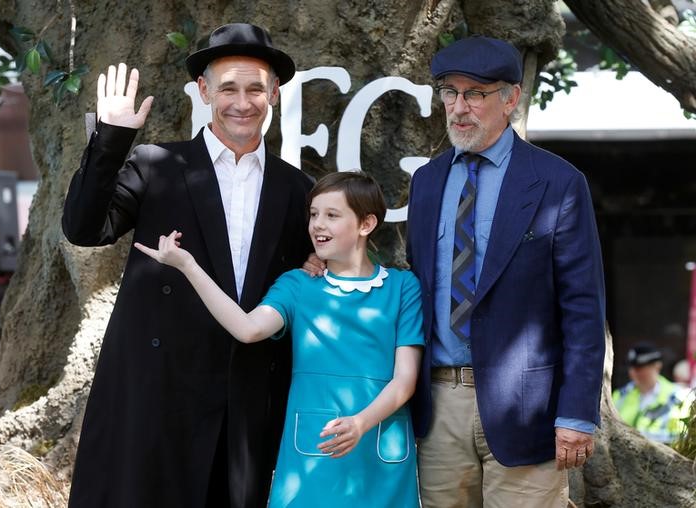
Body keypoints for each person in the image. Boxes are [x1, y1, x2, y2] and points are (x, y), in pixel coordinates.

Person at [62, 23, 313, 508]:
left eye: (256, 89)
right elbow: (83, 229)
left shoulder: (298, 189)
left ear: (275, 94)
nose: (243, 102)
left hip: (246, 401)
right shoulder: (156, 164)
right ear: (204, 91)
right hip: (159, 390)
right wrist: (112, 138)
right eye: (229, 89)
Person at [135, 171, 424, 507]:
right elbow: (247, 328)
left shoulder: (403, 287)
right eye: (313, 214)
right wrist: (188, 266)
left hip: (380, 448)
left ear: (366, 224)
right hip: (313, 450)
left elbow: (405, 380)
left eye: (332, 215)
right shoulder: (297, 285)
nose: (317, 225)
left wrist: (361, 423)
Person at [406, 36, 606, 507]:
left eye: (475, 94)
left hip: (528, 407)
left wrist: (576, 415)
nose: (459, 107)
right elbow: (415, 283)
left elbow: (583, 307)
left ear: (511, 98)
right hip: (438, 406)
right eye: (449, 93)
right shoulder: (427, 181)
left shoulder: (558, 182)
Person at [613, 344, 690, 445]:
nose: (633, 372)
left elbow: (683, 438)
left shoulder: (678, 397)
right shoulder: (620, 395)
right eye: (631, 367)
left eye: (640, 368)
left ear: (657, 366)